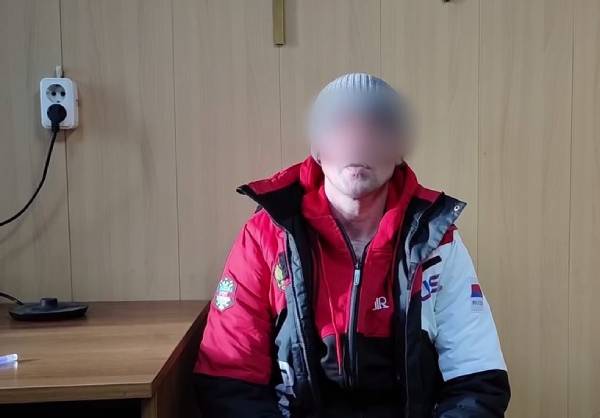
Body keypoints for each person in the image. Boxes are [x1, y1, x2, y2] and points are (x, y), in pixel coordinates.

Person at [192, 72, 510, 418]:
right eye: (340, 123)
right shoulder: (265, 236)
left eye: (378, 125)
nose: (358, 139)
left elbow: (478, 383)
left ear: (400, 149)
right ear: (316, 147)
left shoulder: (437, 241)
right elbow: (229, 383)